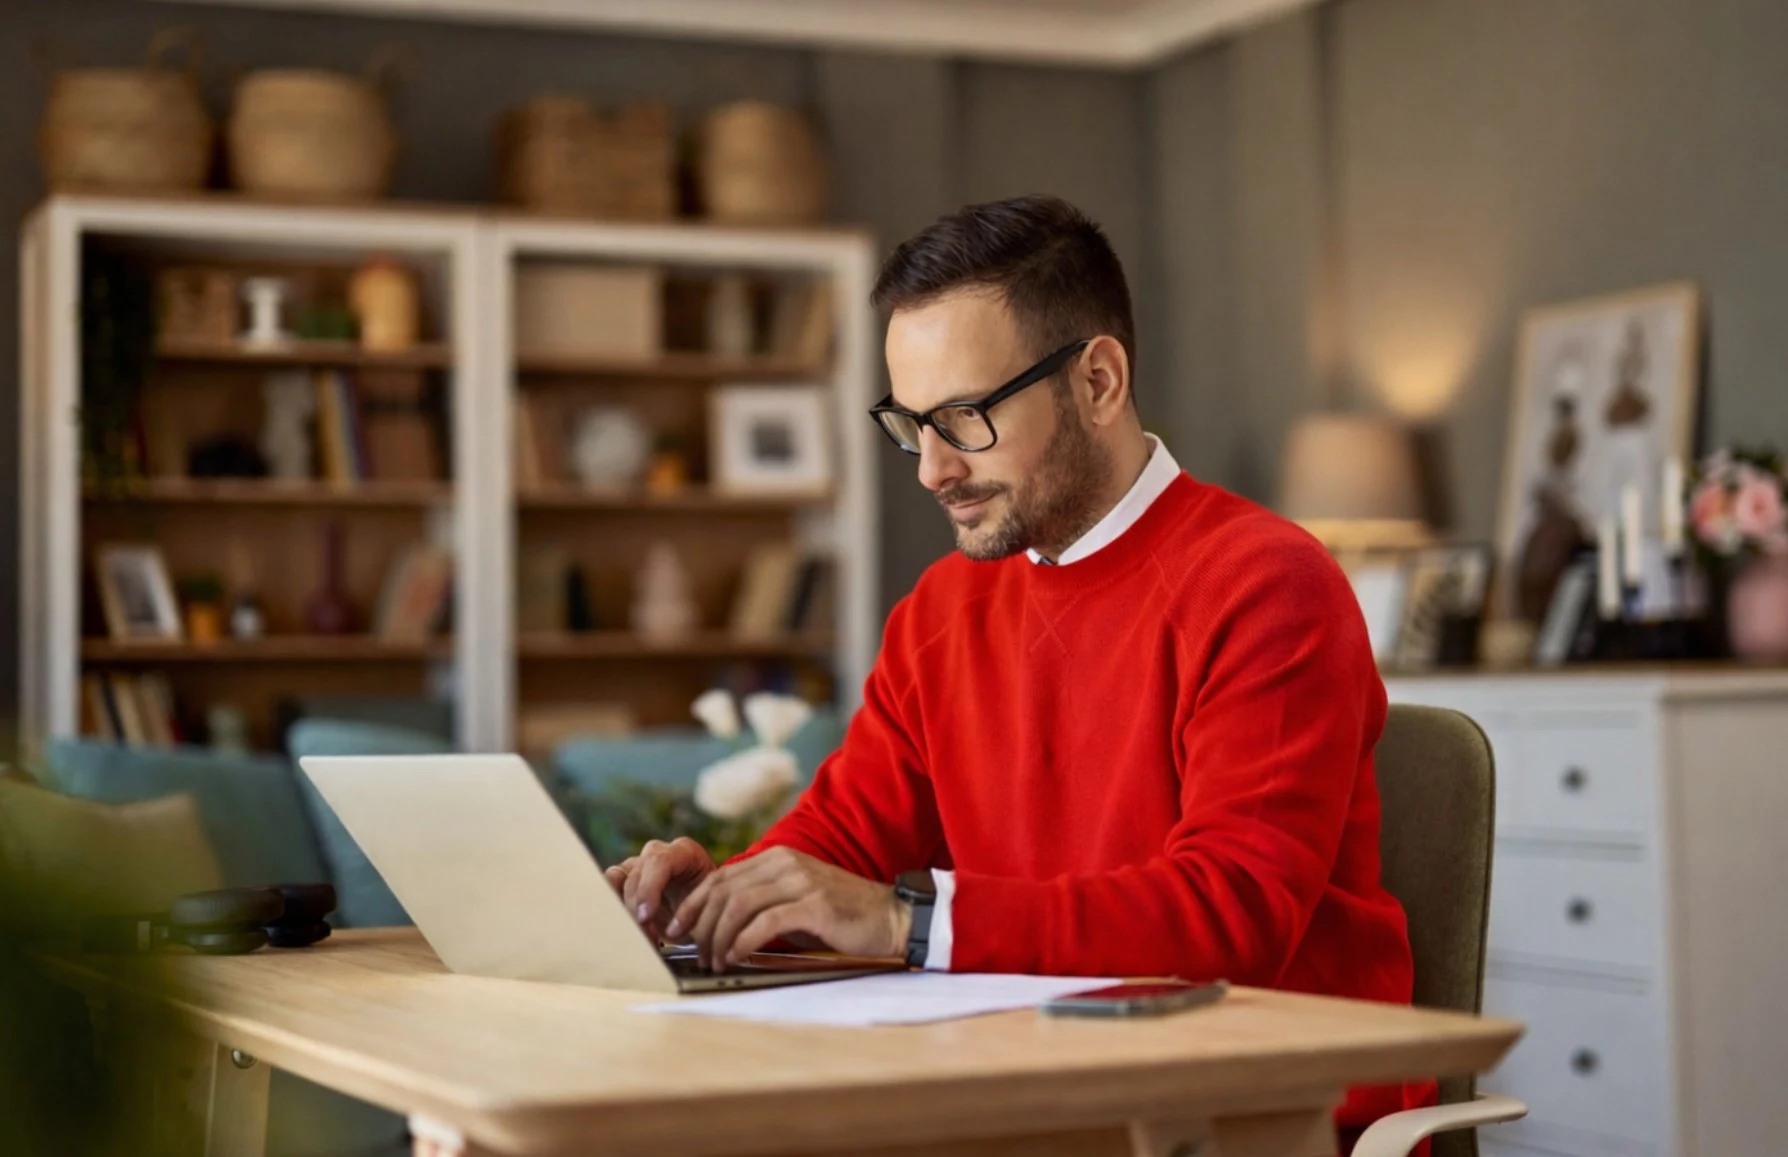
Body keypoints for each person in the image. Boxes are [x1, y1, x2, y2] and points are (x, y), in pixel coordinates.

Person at [606, 194, 1432, 1137]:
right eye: (911, 423)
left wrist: (905, 922)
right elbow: (839, 839)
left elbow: (1230, 915)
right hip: (1028, 1086)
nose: (931, 469)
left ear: (1099, 381)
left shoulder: (1267, 583)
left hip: (1260, 1113)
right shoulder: (940, 612)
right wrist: (709, 897)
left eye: (963, 417)